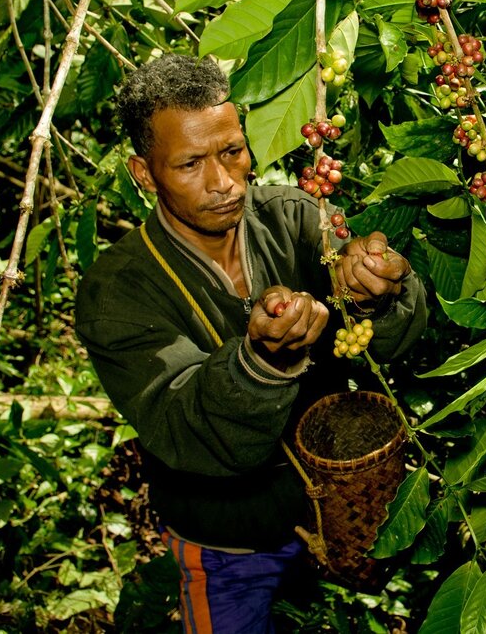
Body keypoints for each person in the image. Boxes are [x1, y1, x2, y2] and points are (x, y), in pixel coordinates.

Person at [75, 54, 427, 633]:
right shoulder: (118, 292)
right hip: (227, 546)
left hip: (339, 515)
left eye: (232, 152)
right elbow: (189, 428)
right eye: (190, 164)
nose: (223, 183)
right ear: (145, 173)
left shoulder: (295, 217)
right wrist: (261, 360)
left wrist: (376, 290)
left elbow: (391, 344)